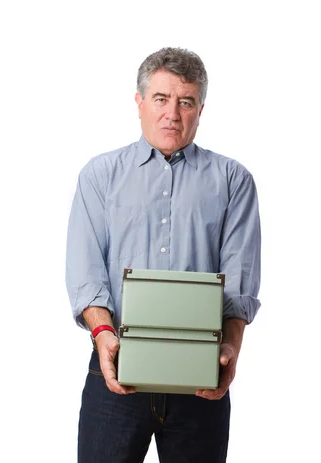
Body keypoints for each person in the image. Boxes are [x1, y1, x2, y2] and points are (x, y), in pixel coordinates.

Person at [65, 47, 261, 463]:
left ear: (200, 109)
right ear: (138, 102)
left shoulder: (233, 181)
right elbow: (85, 271)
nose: (173, 113)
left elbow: (240, 278)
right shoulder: (100, 177)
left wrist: (231, 346)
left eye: (185, 101)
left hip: (200, 381)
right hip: (114, 373)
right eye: (161, 99)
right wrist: (103, 336)